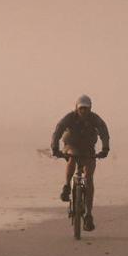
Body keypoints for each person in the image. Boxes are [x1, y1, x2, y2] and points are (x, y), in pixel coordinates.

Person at [50, 95, 110, 231]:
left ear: (90, 108)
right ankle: (66, 186)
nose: (83, 111)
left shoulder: (95, 119)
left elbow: (104, 132)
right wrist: (55, 147)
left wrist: (105, 148)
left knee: (89, 178)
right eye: (81, 108)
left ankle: (88, 214)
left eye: (86, 108)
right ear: (77, 108)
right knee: (72, 156)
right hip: (71, 145)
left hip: (88, 148)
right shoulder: (69, 118)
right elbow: (58, 130)